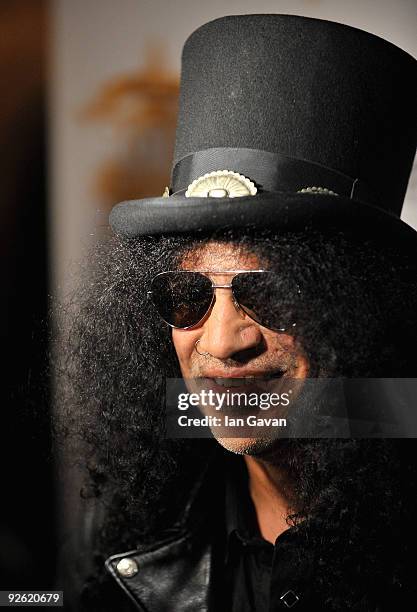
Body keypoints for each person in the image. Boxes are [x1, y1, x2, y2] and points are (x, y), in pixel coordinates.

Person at [57, 14, 417, 612]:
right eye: (188, 296)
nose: (222, 341)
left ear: (360, 308)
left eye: (273, 294)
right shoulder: (130, 539)